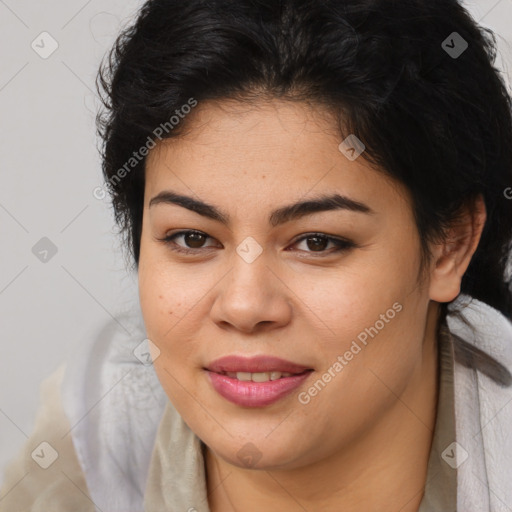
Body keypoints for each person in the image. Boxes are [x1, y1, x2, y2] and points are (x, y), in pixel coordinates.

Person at [1, 0, 512, 510]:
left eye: (317, 242)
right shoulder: (100, 427)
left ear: (451, 245)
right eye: (193, 238)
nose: (245, 307)